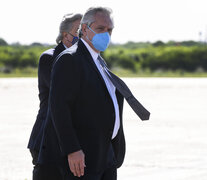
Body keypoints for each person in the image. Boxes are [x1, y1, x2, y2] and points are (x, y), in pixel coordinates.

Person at [38, 7, 149, 180]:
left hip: (105, 153)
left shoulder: (98, 61)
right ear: (84, 29)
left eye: (109, 30)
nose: (106, 34)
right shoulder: (70, 59)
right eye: (100, 28)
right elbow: (59, 108)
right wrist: (72, 149)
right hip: (83, 156)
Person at [27, 13, 82, 180]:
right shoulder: (50, 58)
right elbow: (68, 93)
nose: (83, 35)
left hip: (71, 140)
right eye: (78, 31)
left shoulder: (85, 60)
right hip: (46, 139)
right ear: (66, 35)